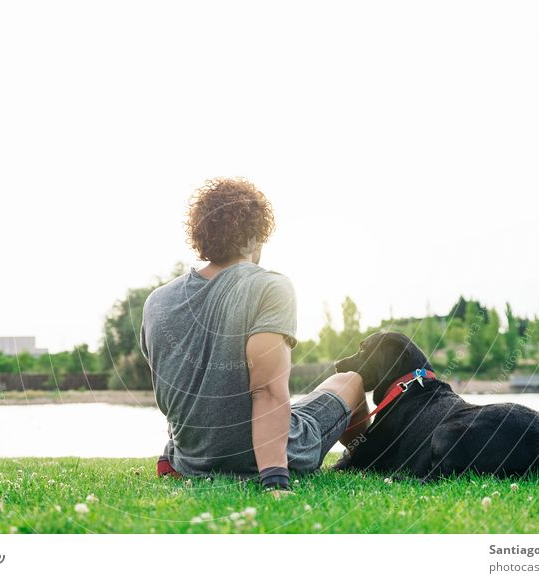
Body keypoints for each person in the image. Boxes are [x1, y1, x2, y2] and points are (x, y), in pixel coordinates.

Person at [139, 177, 370, 494]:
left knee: (294, 405)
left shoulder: (157, 302)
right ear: (254, 235)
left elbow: (174, 395)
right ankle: (364, 458)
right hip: (264, 459)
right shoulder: (270, 287)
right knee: (352, 381)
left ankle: (179, 458)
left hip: (192, 461)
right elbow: (268, 391)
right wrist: (275, 479)